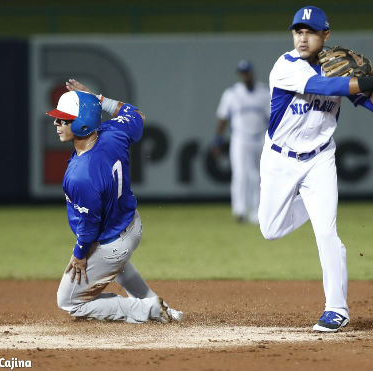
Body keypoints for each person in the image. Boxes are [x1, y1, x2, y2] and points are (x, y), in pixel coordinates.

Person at [258, 6, 373, 332]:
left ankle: (337, 309)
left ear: (325, 35)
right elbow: (327, 88)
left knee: (327, 232)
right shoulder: (286, 66)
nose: (302, 37)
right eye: (298, 31)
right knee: (270, 230)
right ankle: (311, 207)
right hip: (280, 159)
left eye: (310, 32)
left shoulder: (337, 65)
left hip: (319, 159)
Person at [49, 78, 184, 324]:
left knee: (69, 302)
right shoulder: (115, 132)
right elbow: (137, 115)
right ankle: (165, 311)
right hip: (133, 226)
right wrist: (97, 100)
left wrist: (79, 254)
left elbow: (89, 228)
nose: (56, 123)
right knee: (118, 268)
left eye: (63, 119)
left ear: (81, 124)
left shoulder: (80, 175)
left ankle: (148, 310)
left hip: (111, 244)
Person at [213, 60, 270, 224]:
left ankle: (256, 212)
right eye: (242, 73)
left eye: (247, 72)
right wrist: (218, 140)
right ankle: (239, 210)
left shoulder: (265, 92)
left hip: (260, 137)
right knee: (240, 174)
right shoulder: (231, 93)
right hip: (240, 138)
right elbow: (223, 118)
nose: (245, 76)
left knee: (258, 176)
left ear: (252, 73)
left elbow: (273, 118)